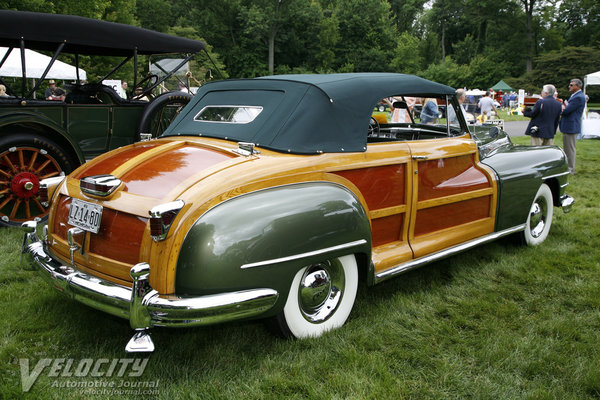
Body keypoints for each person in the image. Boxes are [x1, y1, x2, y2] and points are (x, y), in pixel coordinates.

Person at [559, 78, 586, 174]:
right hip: (569, 125)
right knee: (567, 148)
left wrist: (562, 107)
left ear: (578, 86)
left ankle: (570, 169)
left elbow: (566, 111)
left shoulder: (578, 97)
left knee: (570, 149)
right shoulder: (575, 96)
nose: (569, 86)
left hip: (571, 125)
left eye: (571, 85)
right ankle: (568, 167)